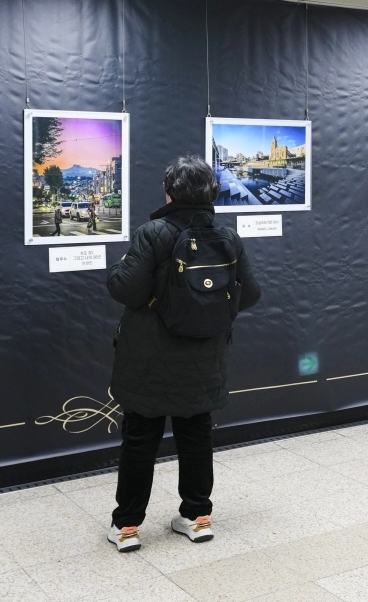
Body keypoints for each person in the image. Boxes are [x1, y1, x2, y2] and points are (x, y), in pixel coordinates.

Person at [105, 155, 261, 552]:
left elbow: (126, 289)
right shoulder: (226, 237)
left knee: (140, 439)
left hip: (149, 358)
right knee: (196, 436)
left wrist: (119, 267)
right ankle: (197, 517)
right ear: (212, 193)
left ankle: (127, 527)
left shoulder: (152, 233)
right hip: (203, 357)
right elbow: (250, 295)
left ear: (169, 192)